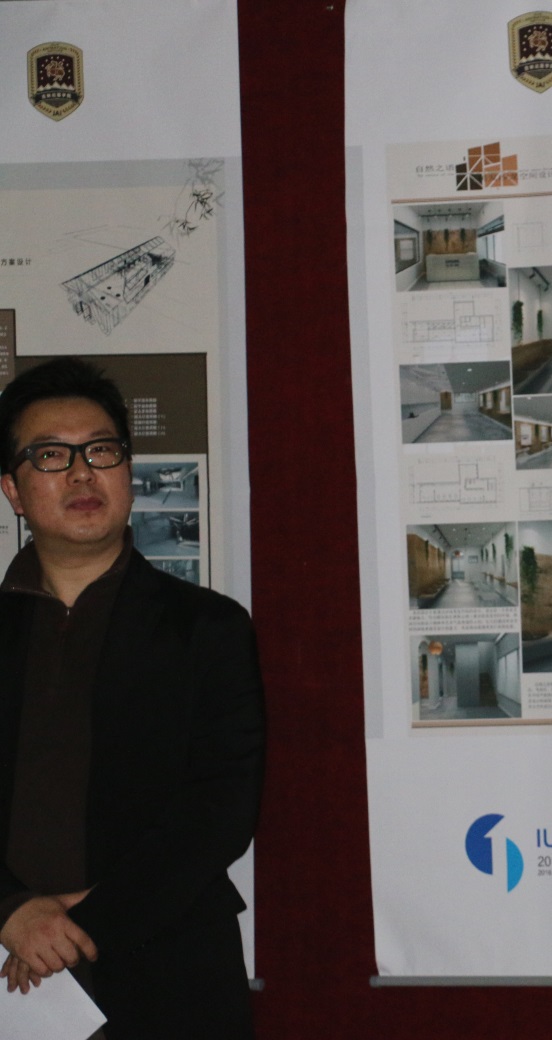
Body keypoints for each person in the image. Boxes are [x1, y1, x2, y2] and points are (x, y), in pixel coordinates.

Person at [0, 357, 264, 1038]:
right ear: (13, 491)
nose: (82, 473)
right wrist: (12, 912)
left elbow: (221, 807)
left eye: (102, 451)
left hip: (168, 967)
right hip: (7, 963)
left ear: (127, 472)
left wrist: (79, 927)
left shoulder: (208, 628)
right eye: (51, 455)